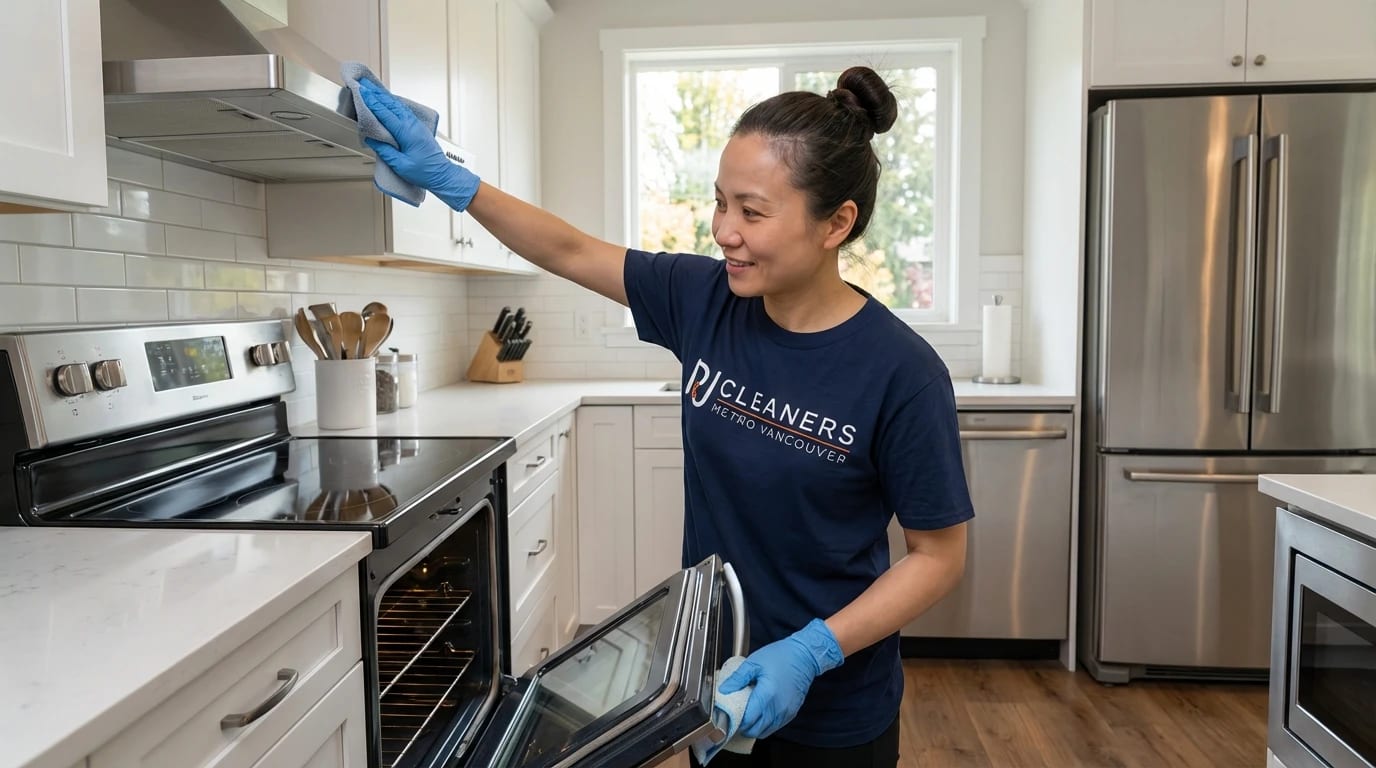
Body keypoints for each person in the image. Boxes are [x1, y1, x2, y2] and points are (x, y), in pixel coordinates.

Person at [357, 64, 973, 768]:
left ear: (837, 223)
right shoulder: (704, 299)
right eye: (719, 204)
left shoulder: (902, 371)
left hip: (834, 711)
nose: (723, 231)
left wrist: (811, 651)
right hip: (711, 687)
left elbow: (938, 558)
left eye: (752, 211)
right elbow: (570, 249)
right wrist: (451, 180)